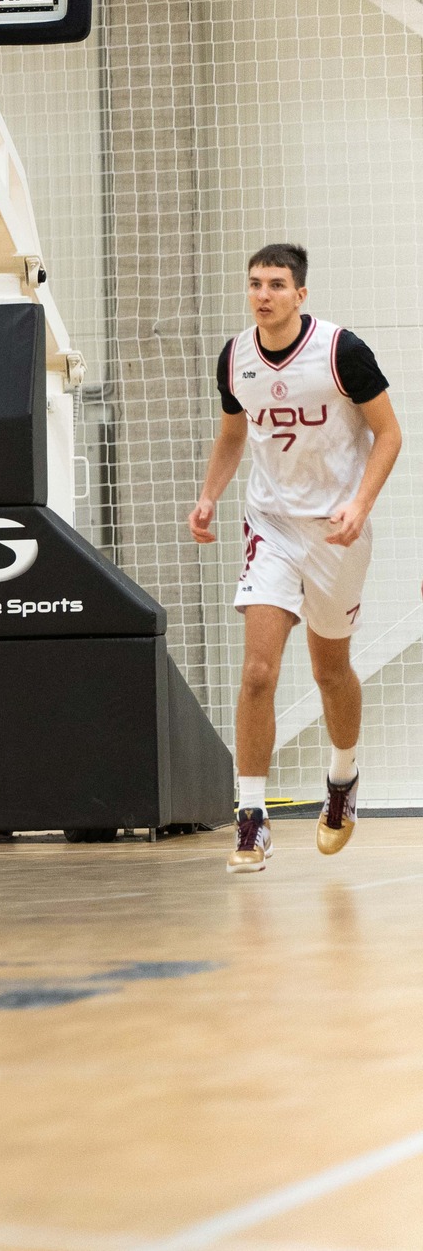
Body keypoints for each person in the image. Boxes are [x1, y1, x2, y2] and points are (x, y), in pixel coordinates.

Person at [188, 243, 400, 872]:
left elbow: (389, 433)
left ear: (300, 294)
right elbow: (232, 435)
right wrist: (208, 497)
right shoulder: (235, 357)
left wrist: (360, 504)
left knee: (330, 670)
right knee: (258, 672)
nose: (263, 294)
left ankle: (343, 776)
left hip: (336, 530)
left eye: (276, 284)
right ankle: (251, 820)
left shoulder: (341, 351)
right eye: (255, 283)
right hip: (271, 524)